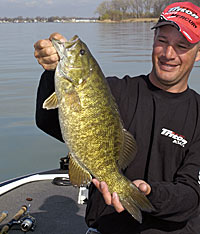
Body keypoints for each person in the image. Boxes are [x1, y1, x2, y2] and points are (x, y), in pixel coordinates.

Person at [34, 2, 200, 233]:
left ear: (198, 53)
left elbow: (191, 194)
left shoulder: (198, 113)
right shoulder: (113, 90)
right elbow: (48, 121)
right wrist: (51, 72)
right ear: (153, 41)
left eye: (181, 45)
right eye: (162, 41)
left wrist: (149, 193)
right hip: (108, 226)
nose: (168, 54)